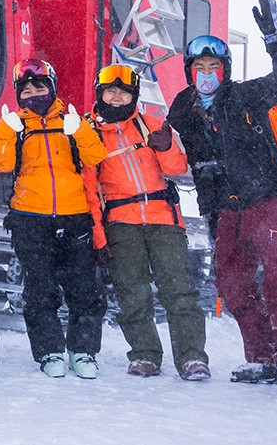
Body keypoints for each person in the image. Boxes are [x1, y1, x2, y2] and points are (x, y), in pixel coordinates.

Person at [165, 0, 277, 390]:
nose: (207, 73)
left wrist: (275, 38)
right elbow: (188, 162)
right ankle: (264, 358)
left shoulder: (246, 96)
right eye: (199, 66)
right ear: (189, 71)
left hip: (269, 201)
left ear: (225, 70)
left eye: (214, 66)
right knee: (233, 286)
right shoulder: (184, 112)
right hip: (226, 212)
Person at [82, 64, 210, 380]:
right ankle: (144, 355)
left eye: (123, 91)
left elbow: (178, 169)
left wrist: (165, 146)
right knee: (132, 293)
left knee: (179, 291)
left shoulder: (149, 124)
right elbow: (88, 190)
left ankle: (192, 357)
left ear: (133, 95)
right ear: (100, 93)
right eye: (110, 90)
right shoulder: (89, 133)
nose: (116, 97)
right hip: (120, 222)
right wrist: (98, 236)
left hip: (164, 219)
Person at [0, 59, 106, 379]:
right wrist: (5, 132)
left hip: (74, 217)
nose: (33, 94)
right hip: (30, 217)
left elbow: (96, 156)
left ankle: (82, 351)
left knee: (83, 289)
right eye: (25, 90)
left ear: (52, 87)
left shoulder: (72, 120)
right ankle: (49, 350)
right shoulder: (18, 124)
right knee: (40, 289)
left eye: (39, 87)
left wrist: (79, 130)